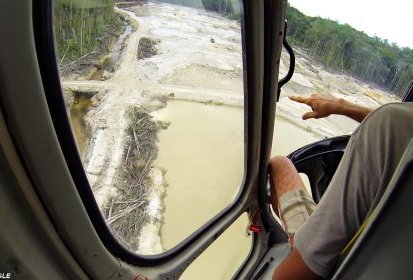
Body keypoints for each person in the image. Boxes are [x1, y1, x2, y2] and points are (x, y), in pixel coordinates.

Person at [269, 94, 413, 279]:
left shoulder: (389, 123)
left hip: (336, 268)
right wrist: (343, 107)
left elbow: (294, 276)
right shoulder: (395, 124)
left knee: (280, 164)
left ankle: (289, 239)